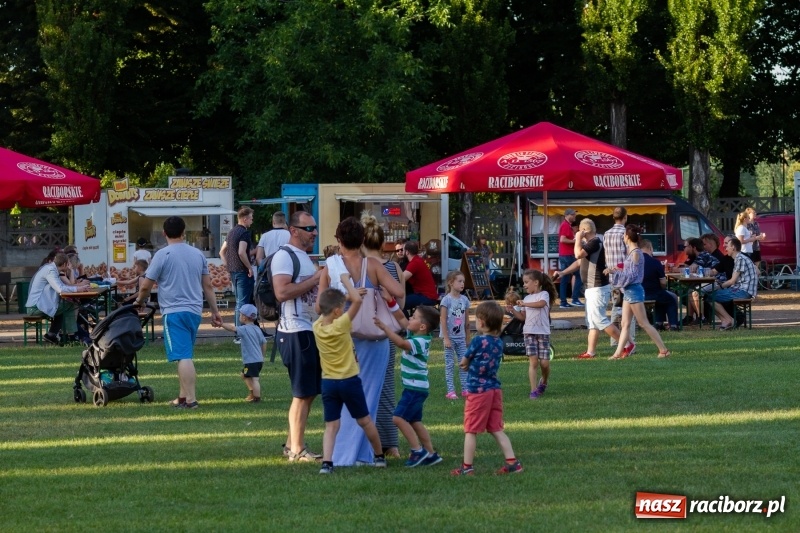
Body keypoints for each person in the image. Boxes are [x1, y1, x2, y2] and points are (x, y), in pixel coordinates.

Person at [316, 216, 403, 466]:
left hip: (344, 339)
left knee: (344, 396)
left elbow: (319, 306)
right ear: (363, 239)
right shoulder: (374, 265)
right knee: (369, 399)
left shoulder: (329, 268)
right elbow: (398, 292)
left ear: (338, 240)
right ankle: (364, 453)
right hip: (375, 338)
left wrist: (345, 297)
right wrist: (379, 293)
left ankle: (341, 453)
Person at [134, 216, 223, 408]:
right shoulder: (197, 254)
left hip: (173, 311)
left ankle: (190, 399)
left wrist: (139, 301)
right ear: (184, 232)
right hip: (194, 311)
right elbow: (207, 285)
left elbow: (146, 286)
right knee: (183, 353)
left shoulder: (162, 255)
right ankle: (182, 397)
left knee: (183, 356)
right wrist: (215, 311)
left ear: (164, 233)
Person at [315, 278, 387, 474]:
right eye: (341, 307)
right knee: (364, 421)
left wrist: (338, 298)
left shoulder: (317, 327)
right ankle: (379, 456)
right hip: (349, 382)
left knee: (331, 425)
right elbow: (357, 301)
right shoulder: (342, 325)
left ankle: (327, 463)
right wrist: (347, 282)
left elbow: (328, 307)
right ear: (338, 311)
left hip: (328, 383)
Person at [272, 210, 325, 462]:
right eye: (309, 228)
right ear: (293, 230)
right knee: (302, 393)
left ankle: (293, 443)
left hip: (308, 330)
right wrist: (315, 278)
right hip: (294, 331)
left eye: (314, 228)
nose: (314, 232)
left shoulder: (304, 257)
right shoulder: (284, 256)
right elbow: (282, 292)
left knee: (309, 391)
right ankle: (297, 449)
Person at [452, 301, 522, 476]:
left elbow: (464, 361)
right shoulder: (498, 343)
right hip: (494, 390)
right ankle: (512, 463)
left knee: (471, 430)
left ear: (481, 322)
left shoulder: (478, 340)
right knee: (496, 428)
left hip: (478, 392)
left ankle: (467, 467)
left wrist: (466, 365)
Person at [374, 303, 443, 468]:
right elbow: (401, 318)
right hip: (417, 388)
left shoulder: (420, 341)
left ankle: (417, 451)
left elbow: (402, 344)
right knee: (415, 422)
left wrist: (385, 328)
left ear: (422, 326)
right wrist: (390, 302)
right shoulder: (417, 333)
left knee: (398, 418)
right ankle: (431, 454)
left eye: (413, 317)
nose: (409, 319)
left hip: (414, 389)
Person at [361, 212, 404, 458]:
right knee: (386, 388)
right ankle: (390, 443)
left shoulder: (361, 267)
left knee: (364, 387)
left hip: (363, 333)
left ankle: (369, 442)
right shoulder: (394, 267)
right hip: (388, 332)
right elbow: (402, 300)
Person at [554, 218, 621, 359]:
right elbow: (579, 262)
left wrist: (578, 238)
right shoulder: (589, 244)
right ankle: (590, 352)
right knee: (592, 322)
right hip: (591, 288)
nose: (576, 233)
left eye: (579, 230)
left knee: (599, 320)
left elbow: (577, 254)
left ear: (584, 231)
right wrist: (563, 272)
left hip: (597, 287)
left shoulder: (594, 242)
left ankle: (625, 345)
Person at [606, 225, 670, 359]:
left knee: (643, 323)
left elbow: (633, 275)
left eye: (624, 235)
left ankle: (663, 349)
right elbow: (628, 270)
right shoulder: (632, 252)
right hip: (629, 291)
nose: (623, 237)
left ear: (627, 237)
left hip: (634, 291)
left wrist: (616, 272)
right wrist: (616, 269)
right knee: (625, 323)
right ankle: (618, 353)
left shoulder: (636, 253)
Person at [508, 269, 556, 399]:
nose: (524, 285)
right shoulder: (527, 298)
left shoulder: (544, 294)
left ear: (536, 282)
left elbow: (541, 304)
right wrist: (513, 311)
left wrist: (524, 303)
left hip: (543, 333)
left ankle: (544, 381)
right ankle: (533, 390)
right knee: (533, 362)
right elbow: (523, 317)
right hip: (529, 333)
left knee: (545, 363)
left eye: (526, 282)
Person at [26, 252, 91, 344]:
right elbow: (60, 289)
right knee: (70, 305)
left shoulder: (51, 269)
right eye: (68, 263)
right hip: (36, 307)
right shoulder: (50, 271)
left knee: (64, 307)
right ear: (64, 264)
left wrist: (77, 288)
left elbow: (62, 286)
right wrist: (78, 288)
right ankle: (71, 336)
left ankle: (52, 335)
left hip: (37, 305)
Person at [217, 303, 266, 402]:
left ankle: (256, 397)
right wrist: (262, 356)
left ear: (244, 318)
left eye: (240, 314)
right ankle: (252, 392)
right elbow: (264, 343)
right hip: (258, 360)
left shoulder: (244, 329)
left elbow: (232, 328)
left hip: (251, 361)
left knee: (255, 379)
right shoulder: (257, 329)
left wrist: (221, 324)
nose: (239, 316)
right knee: (244, 374)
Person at [220, 207, 255, 344]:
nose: (252, 221)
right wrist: (249, 267)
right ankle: (240, 334)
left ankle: (238, 332)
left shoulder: (232, 232)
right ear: (245, 219)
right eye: (251, 218)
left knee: (238, 302)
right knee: (243, 302)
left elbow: (221, 252)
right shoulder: (244, 233)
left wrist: (228, 265)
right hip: (242, 271)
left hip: (233, 271)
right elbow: (241, 252)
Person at [604, 206, 636, 349]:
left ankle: (615, 340)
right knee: (630, 310)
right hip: (625, 276)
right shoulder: (625, 233)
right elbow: (630, 256)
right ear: (625, 217)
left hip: (612, 276)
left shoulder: (606, 233)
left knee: (616, 308)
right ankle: (630, 341)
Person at [710, 237, 758, 330]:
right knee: (714, 295)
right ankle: (730, 319)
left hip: (744, 291)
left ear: (733, 248)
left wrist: (719, 286)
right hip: (743, 289)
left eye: (727, 246)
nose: (725, 248)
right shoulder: (740, 258)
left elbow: (732, 281)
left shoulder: (740, 259)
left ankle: (728, 320)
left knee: (711, 296)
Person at [440, 271, 470, 400]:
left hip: (461, 338)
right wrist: (446, 338)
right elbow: (443, 319)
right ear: (451, 282)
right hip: (450, 338)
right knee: (450, 364)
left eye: (463, 281)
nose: (462, 284)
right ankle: (451, 391)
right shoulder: (446, 300)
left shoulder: (465, 300)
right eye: (459, 281)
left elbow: (467, 321)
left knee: (464, 363)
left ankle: (465, 389)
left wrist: (468, 337)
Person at [640, 239, 679, 331]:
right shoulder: (655, 262)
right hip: (653, 293)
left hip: (638, 294)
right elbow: (663, 282)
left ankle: (659, 323)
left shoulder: (634, 262)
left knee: (662, 297)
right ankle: (673, 325)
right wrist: (663, 288)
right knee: (671, 299)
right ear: (650, 248)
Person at [400, 241, 439, 313]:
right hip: (427, 295)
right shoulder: (418, 260)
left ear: (407, 252)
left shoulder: (414, 263)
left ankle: (406, 323)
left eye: (403, 250)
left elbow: (401, 278)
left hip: (426, 296)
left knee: (400, 304)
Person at [557, 208, 583, 308]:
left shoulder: (566, 225)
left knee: (565, 277)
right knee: (579, 274)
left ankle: (563, 301)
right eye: (573, 215)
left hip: (563, 254)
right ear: (567, 215)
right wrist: (576, 241)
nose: (574, 216)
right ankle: (575, 299)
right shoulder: (565, 225)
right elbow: (562, 239)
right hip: (567, 254)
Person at [471, 235, 494, 299]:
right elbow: (468, 252)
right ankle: (475, 294)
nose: (483, 241)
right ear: (479, 240)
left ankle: (488, 294)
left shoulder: (487, 247)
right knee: (477, 279)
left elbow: (491, 253)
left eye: (484, 239)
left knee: (486, 279)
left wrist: (488, 258)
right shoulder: (475, 247)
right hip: (478, 264)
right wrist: (475, 258)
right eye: (482, 239)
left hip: (486, 264)